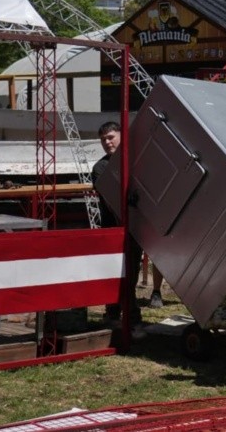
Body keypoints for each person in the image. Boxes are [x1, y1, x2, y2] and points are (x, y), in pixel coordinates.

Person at [91, 121, 144, 336]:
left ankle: (116, 315)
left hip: (134, 229)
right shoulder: (100, 168)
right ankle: (129, 319)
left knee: (130, 275)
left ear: (122, 136)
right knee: (119, 276)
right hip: (113, 230)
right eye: (103, 139)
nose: (107, 142)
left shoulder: (134, 161)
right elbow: (114, 198)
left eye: (111, 137)